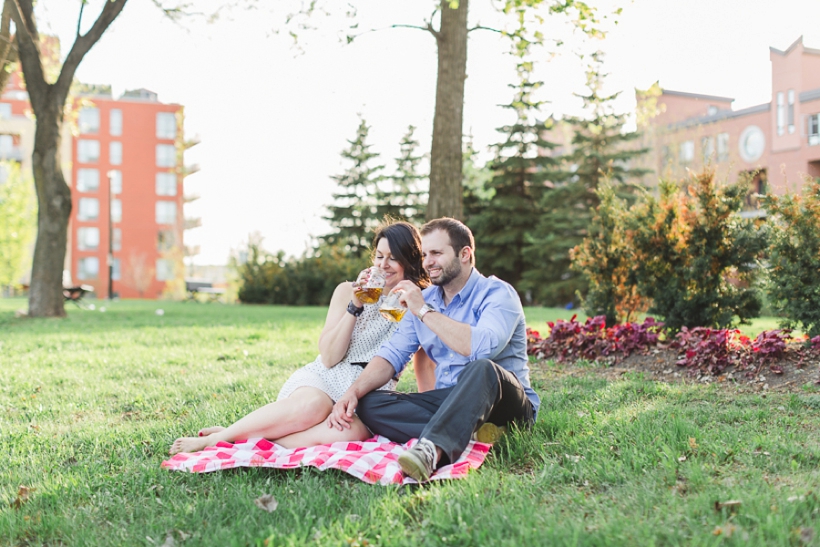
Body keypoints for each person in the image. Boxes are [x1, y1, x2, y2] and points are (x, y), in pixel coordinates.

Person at [169, 220, 431, 455]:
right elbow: (329, 358)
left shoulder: (417, 304)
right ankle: (220, 439)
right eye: (379, 256)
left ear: (409, 262)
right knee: (313, 407)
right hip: (327, 377)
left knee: (347, 433)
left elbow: (424, 362)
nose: (383, 265)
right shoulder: (347, 291)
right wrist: (355, 305)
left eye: (393, 258)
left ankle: (243, 438)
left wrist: (427, 406)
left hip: (368, 394)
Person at [328, 217, 541, 481]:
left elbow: (479, 348)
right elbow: (391, 355)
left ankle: (431, 449)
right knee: (370, 401)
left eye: (437, 253)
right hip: (448, 400)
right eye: (425, 254)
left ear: (465, 254)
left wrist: (423, 311)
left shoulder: (497, 294)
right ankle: (470, 431)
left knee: (482, 368)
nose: (428, 262)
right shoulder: (426, 299)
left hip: (505, 404)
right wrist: (353, 392)